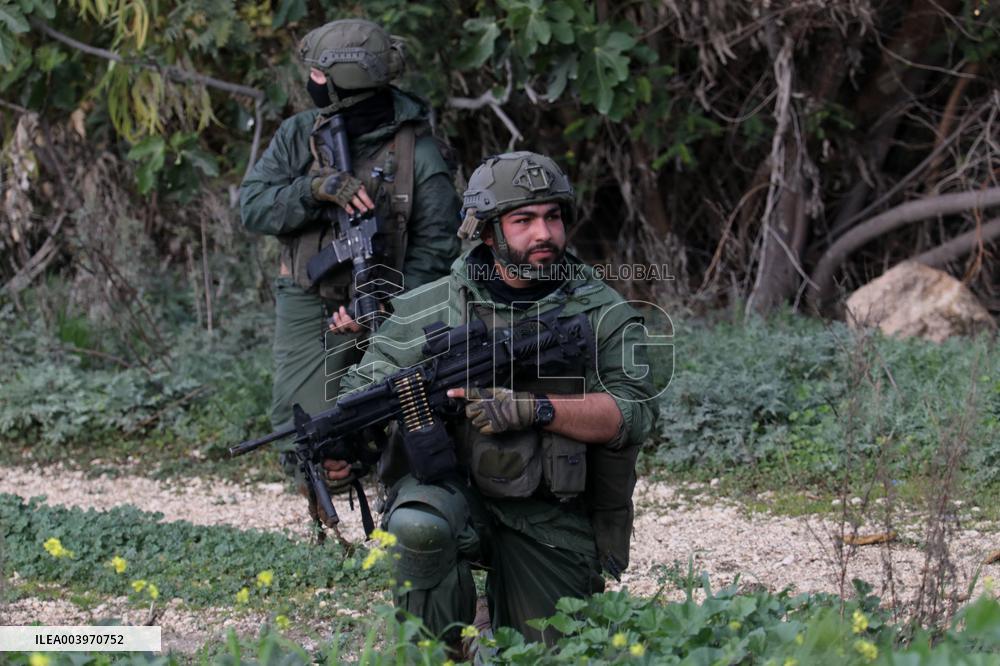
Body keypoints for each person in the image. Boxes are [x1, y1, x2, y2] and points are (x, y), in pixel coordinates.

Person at [330, 151, 658, 648]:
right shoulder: (432, 306)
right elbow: (362, 393)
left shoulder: (601, 310)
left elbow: (635, 413)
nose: (543, 233)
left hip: (552, 513)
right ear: (488, 233)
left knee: (550, 657)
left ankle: (488, 625)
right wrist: (341, 449)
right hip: (453, 494)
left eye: (552, 217)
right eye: (523, 220)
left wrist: (537, 409)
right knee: (419, 527)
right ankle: (437, 652)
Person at [239, 19, 462, 488]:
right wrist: (313, 190)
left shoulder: (420, 154)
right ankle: (336, 465)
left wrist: (390, 307)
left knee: (409, 407)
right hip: (309, 296)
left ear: (341, 86)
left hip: (391, 302)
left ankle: (383, 455)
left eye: (319, 75)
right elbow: (253, 208)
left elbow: (436, 251)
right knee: (301, 434)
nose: (311, 81)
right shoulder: (300, 135)